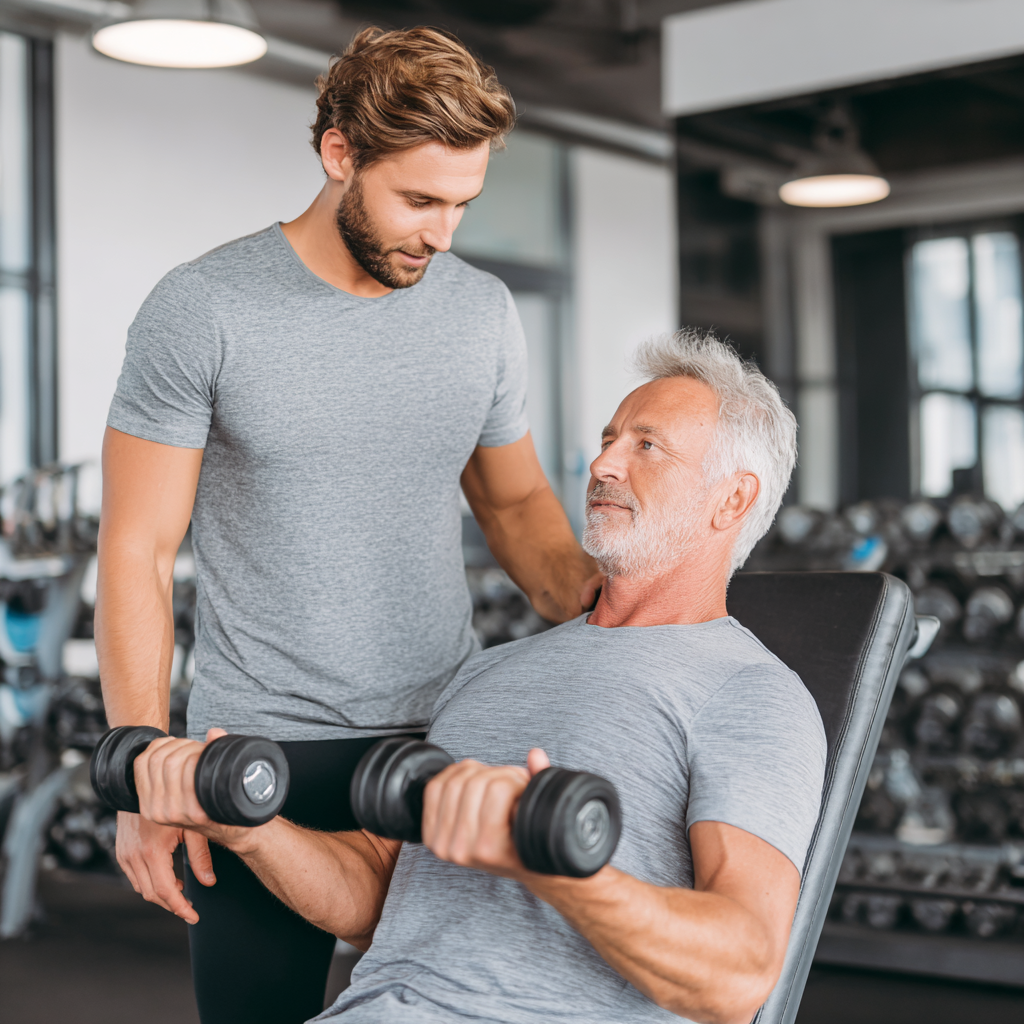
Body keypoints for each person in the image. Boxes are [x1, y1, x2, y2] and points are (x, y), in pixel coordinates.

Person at [94, 26, 598, 1024]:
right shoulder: (204, 308)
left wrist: (619, 605)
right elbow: (137, 551)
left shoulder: (481, 313)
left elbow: (515, 506)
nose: (442, 234)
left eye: (461, 204)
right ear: (339, 155)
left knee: (462, 1008)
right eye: (418, 201)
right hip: (255, 748)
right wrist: (142, 772)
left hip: (439, 739)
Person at [133, 332, 827, 1024]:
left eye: (647, 446)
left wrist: (555, 870)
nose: (602, 464)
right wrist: (245, 826)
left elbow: (738, 978)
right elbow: (378, 897)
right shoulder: (491, 671)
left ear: (732, 500)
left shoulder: (751, 692)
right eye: (609, 439)